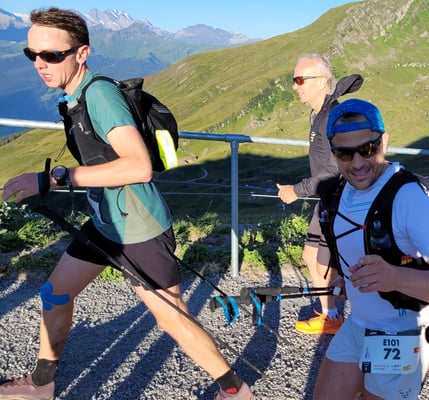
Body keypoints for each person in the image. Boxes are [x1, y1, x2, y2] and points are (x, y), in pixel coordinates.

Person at [0, 8, 253, 400]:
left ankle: (235, 391)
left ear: (81, 53)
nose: (39, 63)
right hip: (107, 221)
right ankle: (41, 384)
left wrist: (53, 178)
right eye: (31, 54)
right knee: (55, 294)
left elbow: (138, 166)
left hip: (138, 229)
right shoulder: (77, 95)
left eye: (51, 55)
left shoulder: (100, 95)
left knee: (172, 317)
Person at [312, 98, 429, 399]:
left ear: (384, 140)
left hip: (402, 333)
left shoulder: (409, 199)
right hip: (358, 323)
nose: (357, 163)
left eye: (368, 149)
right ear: (333, 152)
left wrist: (394, 278)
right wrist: (348, 281)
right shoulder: (340, 191)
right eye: (345, 154)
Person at [276, 53, 362, 335]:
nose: (295, 86)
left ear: (322, 81)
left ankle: (343, 317)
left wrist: (297, 191)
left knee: (324, 260)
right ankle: (331, 315)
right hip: (329, 199)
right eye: (294, 80)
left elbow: (335, 169)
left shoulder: (331, 117)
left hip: (340, 201)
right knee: (311, 255)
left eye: (300, 80)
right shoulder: (319, 114)